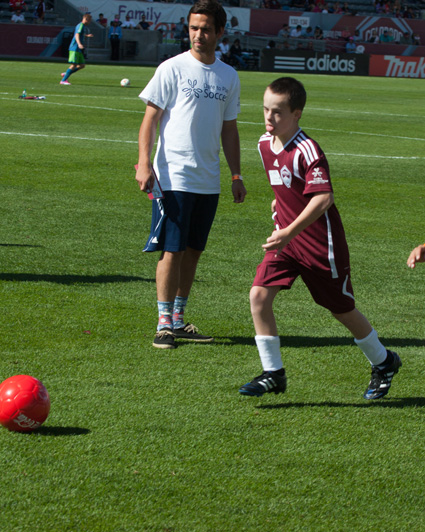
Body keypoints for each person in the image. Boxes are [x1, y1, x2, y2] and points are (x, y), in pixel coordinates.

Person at [239, 77, 401, 400]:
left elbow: (323, 198)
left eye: (278, 112)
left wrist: (288, 230)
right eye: (266, 110)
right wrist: (279, 206)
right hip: (287, 242)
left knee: (341, 309)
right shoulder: (263, 144)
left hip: (320, 246)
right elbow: (286, 186)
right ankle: (273, 372)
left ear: (296, 114)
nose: (269, 117)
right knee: (258, 296)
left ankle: (384, 361)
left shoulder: (307, 150)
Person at [135, 0, 247, 349]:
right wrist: (143, 163)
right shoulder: (172, 68)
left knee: (194, 250)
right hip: (174, 176)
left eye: (206, 29)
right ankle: (163, 325)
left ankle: (179, 319)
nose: (198, 35)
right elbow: (150, 120)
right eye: (193, 28)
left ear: (220, 32)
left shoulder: (229, 76)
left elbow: (229, 129)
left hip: (208, 179)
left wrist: (236, 175)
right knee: (172, 250)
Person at [60, 13, 93, 86]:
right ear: (86, 19)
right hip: (75, 48)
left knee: (82, 65)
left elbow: (80, 34)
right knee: (74, 65)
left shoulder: (83, 26)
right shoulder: (80, 25)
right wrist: (79, 44)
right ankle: (63, 80)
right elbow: (77, 34)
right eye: (89, 20)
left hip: (78, 49)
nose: (90, 22)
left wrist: (87, 35)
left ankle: (66, 73)